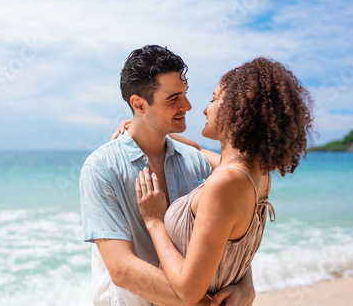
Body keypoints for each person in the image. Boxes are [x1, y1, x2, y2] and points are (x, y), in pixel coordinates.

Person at [80, 45, 256, 305]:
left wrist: (245, 286)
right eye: (173, 98)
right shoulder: (101, 168)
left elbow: (228, 237)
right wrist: (203, 304)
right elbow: (122, 270)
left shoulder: (196, 161)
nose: (187, 105)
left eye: (185, 94)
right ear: (139, 104)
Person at [133, 57, 314, 305]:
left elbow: (188, 292)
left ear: (238, 108)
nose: (205, 109)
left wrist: (154, 222)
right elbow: (196, 148)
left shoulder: (226, 184)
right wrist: (139, 126)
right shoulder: (257, 175)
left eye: (214, 99)